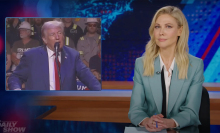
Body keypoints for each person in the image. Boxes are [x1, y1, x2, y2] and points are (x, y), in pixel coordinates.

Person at [128, 6, 204, 131]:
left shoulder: (195, 65)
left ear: (180, 30)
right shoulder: (141, 64)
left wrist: (170, 123)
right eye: (157, 27)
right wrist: (146, 121)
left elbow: (191, 111)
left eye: (168, 26)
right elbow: (135, 110)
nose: (161, 32)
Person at [8, 20, 101, 91]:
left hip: (66, 107)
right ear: (44, 39)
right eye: (52, 34)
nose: (57, 37)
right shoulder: (31, 56)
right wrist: (17, 90)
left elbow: (88, 77)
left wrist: (100, 92)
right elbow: (15, 77)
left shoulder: (72, 55)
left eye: (59, 33)